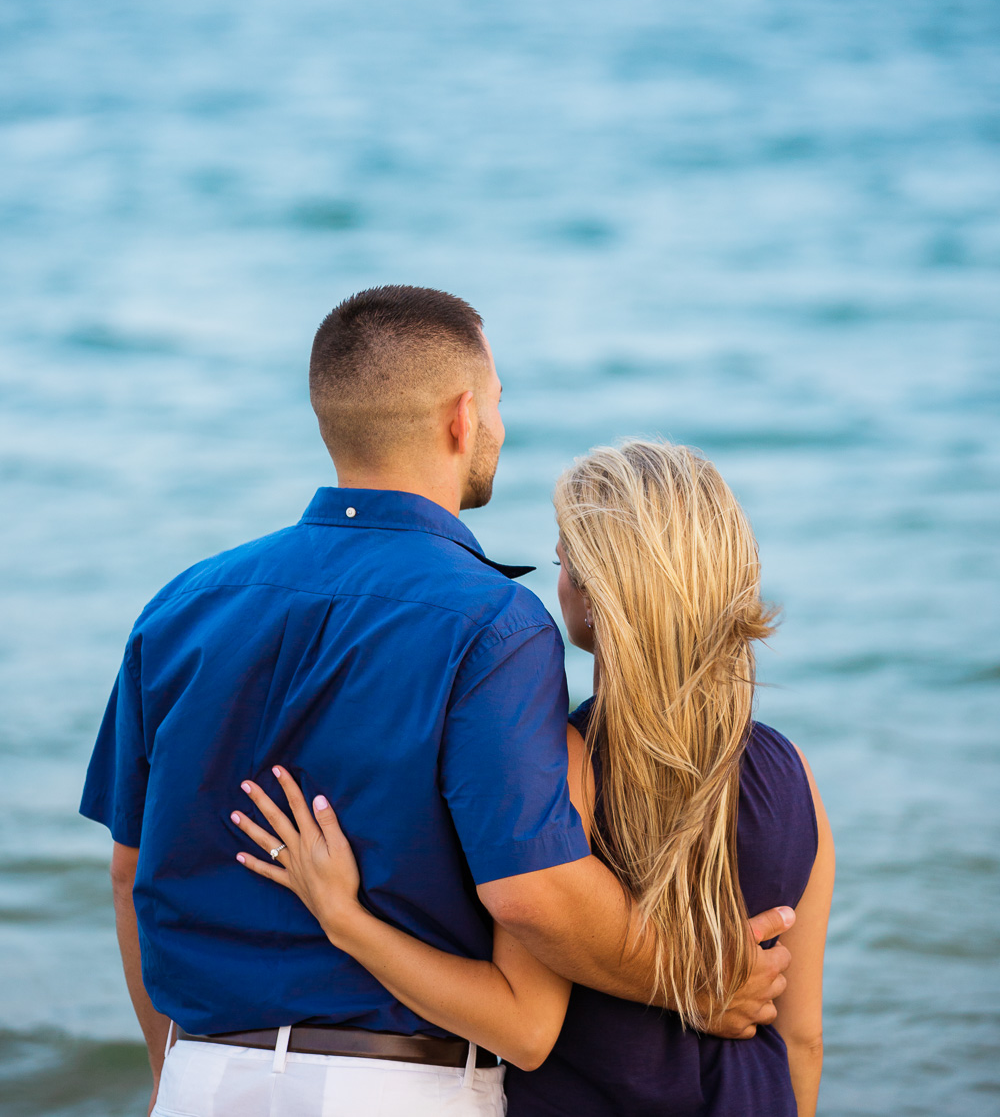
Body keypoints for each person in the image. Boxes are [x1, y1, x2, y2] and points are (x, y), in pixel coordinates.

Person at [80, 287, 792, 1117]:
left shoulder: (180, 606)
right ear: (463, 417)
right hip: (401, 1086)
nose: (498, 424)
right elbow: (533, 893)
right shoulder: (495, 624)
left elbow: (131, 875)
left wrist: (173, 1074)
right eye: (496, 402)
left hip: (203, 1079)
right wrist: (703, 979)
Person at [232, 439, 833, 1116]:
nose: (559, 580)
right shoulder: (794, 775)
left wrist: (345, 919)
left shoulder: (560, 764)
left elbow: (521, 1028)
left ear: (594, 594)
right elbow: (801, 1036)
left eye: (562, 562)